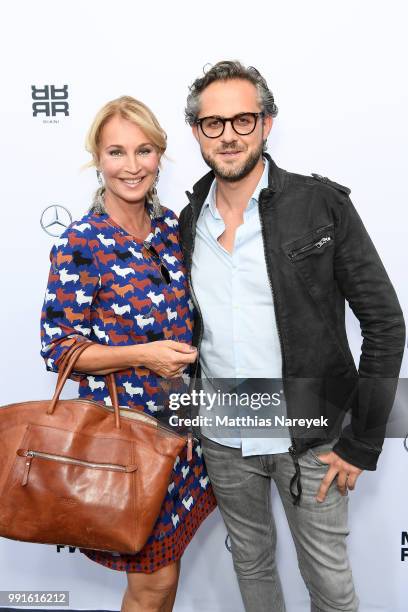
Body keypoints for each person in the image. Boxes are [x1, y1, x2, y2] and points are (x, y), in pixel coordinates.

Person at [178, 61, 406, 612]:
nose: (228, 134)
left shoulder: (320, 203)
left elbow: (384, 321)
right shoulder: (188, 221)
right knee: (251, 566)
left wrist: (362, 442)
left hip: (313, 435)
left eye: (243, 119)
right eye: (213, 123)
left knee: (328, 583)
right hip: (225, 437)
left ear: (267, 124)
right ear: (196, 133)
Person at [40, 95, 216, 612]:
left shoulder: (171, 229)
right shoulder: (82, 240)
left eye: (144, 150)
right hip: (127, 443)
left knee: (166, 577)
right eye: (117, 152)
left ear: (160, 155)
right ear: (97, 158)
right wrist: (144, 354)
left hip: (181, 435)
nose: (132, 166)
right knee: (152, 584)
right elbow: (59, 350)